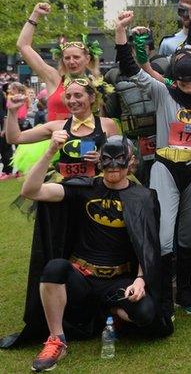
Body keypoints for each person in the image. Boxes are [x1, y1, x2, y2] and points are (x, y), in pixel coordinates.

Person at [6, 135, 171, 371]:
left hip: (118, 282)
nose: (113, 166)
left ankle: (107, 311)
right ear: (100, 160)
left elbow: (147, 244)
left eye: (120, 159)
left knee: (145, 314)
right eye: (108, 159)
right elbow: (30, 190)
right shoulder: (82, 188)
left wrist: (140, 279)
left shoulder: (143, 197)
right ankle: (56, 340)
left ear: (131, 161)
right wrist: (51, 149)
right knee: (54, 268)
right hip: (81, 278)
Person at [114, 11, 191, 315]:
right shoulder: (163, 92)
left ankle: (186, 293)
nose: (187, 84)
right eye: (182, 80)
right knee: (164, 235)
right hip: (165, 167)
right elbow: (130, 68)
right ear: (174, 79)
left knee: (188, 233)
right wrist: (121, 33)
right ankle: (162, 292)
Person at [5, 78, 119, 182]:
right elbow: (14, 138)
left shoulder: (108, 124)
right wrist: (12, 111)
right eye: (68, 96)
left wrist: (101, 159)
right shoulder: (57, 126)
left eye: (78, 95)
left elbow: (119, 159)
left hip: (98, 188)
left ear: (92, 97)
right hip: (65, 189)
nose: (72, 101)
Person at [17, 3, 101, 123]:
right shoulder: (54, 78)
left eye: (76, 57)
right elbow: (23, 46)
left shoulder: (98, 85)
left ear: (87, 59)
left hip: (87, 141)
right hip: (55, 139)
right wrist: (35, 14)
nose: (71, 61)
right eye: (67, 58)